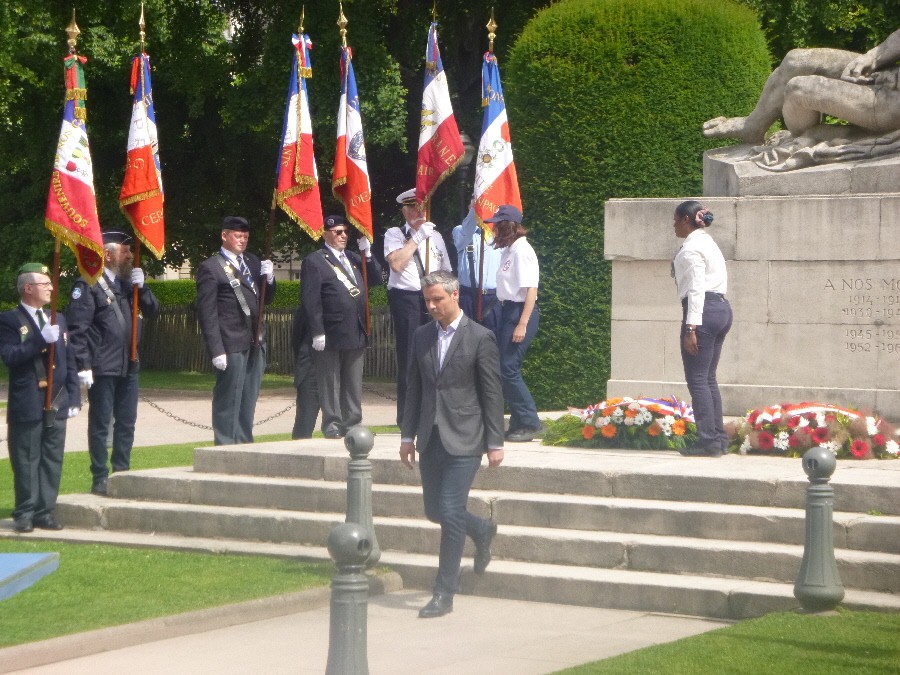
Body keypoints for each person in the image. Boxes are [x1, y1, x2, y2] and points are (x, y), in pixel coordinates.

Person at [399, 270, 504, 618]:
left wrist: (495, 442)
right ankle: (482, 529)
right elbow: (414, 387)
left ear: (455, 295)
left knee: (449, 509)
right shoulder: (421, 336)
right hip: (431, 436)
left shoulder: (481, 337)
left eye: (437, 300)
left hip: (466, 436)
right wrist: (406, 435)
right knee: (436, 511)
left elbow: (491, 392)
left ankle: (444, 592)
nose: (431, 307)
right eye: (427, 301)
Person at [67, 231, 160, 496]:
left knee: (127, 422)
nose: (130, 255)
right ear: (108, 255)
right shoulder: (88, 284)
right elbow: (77, 330)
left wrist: (144, 288)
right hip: (102, 365)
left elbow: (153, 311)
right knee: (100, 423)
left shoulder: (128, 284)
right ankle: (100, 476)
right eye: (125, 250)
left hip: (129, 364)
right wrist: (83, 365)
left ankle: (122, 472)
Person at [703, 27, 900, 145]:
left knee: (798, 89)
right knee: (796, 60)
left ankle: (809, 135)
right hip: (888, 74)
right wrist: (873, 57)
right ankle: (753, 126)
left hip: (891, 104)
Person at [0, 263, 80, 532]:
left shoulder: (58, 317)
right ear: (28, 288)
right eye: (45, 284)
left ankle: (45, 511)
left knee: (52, 457)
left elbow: (68, 360)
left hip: (56, 398)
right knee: (26, 458)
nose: (51, 288)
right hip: (28, 401)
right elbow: (10, 357)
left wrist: (73, 398)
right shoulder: (9, 320)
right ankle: (25, 512)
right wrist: (38, 341)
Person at [196, 216, 275, 445]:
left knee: (248, 397)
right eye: (238, 236)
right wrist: (216, 349)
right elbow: (207, 312)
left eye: (246, 237)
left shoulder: (251, 262)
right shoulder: (211, 267)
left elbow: (265, 299)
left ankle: (243, 442)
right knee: (228, 398)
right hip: (229, 341)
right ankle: (225, 444)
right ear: (224, 235)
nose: (242, 241)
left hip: (254, 339)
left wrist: (269, 279)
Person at [300, 215, 382, 438]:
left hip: (355, 329)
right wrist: (317, 331)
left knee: (353, 381)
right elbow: (311, 299)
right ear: (325, 234)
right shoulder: (316, 261)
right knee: (330, 381)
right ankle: (333, 424)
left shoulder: (354, 258)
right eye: (338, 232)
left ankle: (353, 423)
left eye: (345, 231)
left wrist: (368, 254)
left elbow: (375, 279)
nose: (343, 235)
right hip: (330, 331)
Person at [384, 188, 452, 426]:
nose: (418, 212)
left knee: (437, 356)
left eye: (421, 207)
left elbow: (447, 272)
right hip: (408, 301)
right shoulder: (395, 234)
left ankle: (432, 413)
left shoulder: (436, 236)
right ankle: (406, 417)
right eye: (412, 208)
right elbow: (396, 264)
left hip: (434, 298)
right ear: (404, 211)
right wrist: (417, 238)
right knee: (409, 357)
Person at [671, 200, 732, 457]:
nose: (673, 225)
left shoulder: (691, 249)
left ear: (687, 220)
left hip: (703, 312)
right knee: (708, 379)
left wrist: (690, 327)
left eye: (676, 220)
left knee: (698, 380)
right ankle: (718, 438)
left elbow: (696, 288)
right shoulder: (709, 242)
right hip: (721, 309)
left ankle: (708, 441)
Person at [487, 205, 543, 442]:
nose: (494, 229)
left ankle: (530, 422)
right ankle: (519, 422)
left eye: (498, 224)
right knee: (505, 368)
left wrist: (522, 323)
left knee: (509, 367)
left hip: (520, 311)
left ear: (508, 226)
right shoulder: (509, 250)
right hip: (507, 309)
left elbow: (531, 289)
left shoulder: (522, 251)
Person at [452, 201, 502, 335]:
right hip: (468, 296)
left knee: (491, 341)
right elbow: (466, 231)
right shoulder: (460, 231)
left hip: (492, 298)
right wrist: (476, 209)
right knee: (465, 340)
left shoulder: (499, 235)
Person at [290, 303, 319, 440]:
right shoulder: (307, 308)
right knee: (304, 424)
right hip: (310, 366)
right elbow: (297, 339)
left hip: (334, 368)